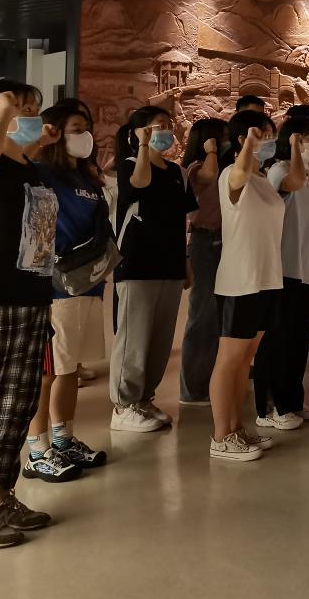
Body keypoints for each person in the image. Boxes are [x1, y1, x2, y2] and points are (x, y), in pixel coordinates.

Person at [0, 80, 56, 546]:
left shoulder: (28, 166)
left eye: (32, 107)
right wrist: (4, 111)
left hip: (32, 293)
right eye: (20, 107)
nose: (29, 114)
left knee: (17, 401)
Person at [23, 102, 109, 484]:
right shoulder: (42, 173)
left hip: (88, 282)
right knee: (47, 372)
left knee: (70, 368)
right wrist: (41, 141)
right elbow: (36, 234)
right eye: (75, 127)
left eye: (86, 127)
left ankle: (64, 439)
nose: (84, 134)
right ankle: (37, 450)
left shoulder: (88, 178)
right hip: (55, 288)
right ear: (56, 131)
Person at [109, 106, 197, 433]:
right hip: (137, 263)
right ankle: (123, 405)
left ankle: (144, 398)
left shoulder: (177, 172)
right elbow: (139, 183)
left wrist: (186, 260)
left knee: (160, 339)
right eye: (159, 126)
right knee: (134, 337)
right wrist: (144, 146)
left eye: (168, 125)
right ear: (139, 132)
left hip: (170, 263)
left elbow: (182, 220)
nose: (167, 131)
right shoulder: (129, 165)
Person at [208, 111, 284, 461]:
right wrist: (250, 147)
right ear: (242, 139)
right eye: (260, 134)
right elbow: (238, 174)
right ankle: (220, 436)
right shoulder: (231, 174)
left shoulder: (263, 179)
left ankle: (235, 428)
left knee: (244, 361)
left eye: (269, 134)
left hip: (267, 278)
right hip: (240, 280)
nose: (268, 140)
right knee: (230, 359)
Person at [253, 117, 309, 429]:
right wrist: (295, 148)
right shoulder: (281, 170)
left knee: (298, 339)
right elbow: (293, 184)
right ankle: (270, 406)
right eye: (307, 138)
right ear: (291, 139)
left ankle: (292, 399)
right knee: (277, 340)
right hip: (282, 267)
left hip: (305, 268)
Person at [179, 117, 228, 407]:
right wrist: (211, 151)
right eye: (221, 137)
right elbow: (208, 176)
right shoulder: (197, 168)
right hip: (204, 243)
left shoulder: (224, 167)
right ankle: (193, 388)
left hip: (223, 242)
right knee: (203, 317)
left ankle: (211, 380)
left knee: (218, 317)